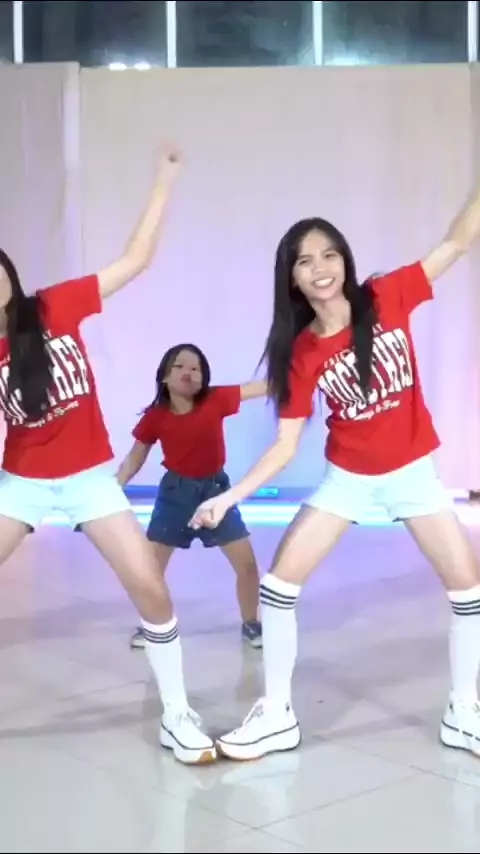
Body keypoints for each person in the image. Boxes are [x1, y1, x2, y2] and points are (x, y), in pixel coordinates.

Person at [189, 192, 480, 761]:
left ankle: (463, 711)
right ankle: (277, 714)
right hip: (348, 478)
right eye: (304, 261)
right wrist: (230, 497)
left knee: (468, 590)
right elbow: (285, 444)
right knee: (278, 586)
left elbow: (455, 242)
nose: (319, 268)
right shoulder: (300, 352)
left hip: (412, 472)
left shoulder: (387, 295)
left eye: (328, 255)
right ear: (292, 278)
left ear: (344, 259)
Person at [0, 146, 218, 765]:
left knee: (149, 586)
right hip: (22, 482)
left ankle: (177, 713)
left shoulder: (53, 306)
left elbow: (134, 260)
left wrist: (163, 181)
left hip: (90, 480)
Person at [116, 342, 265, 650]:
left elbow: (260, 387)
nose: (188, 373)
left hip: (215, 493)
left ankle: (251, 624)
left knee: (247, 565)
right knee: (151, 569)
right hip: (175, 495)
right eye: (179, 366)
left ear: (204, 378)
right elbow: (135, 458)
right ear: (165, 376)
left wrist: (301, 373)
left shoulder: (216, 399)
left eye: (195, 368)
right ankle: (153, 626)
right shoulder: (155, 416)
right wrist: (113, 487)